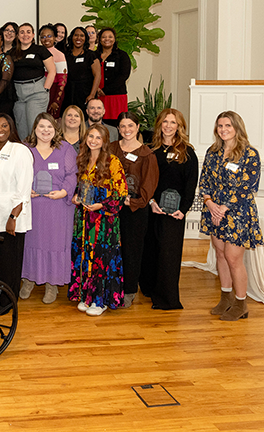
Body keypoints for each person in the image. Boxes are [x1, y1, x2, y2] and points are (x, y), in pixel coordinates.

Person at [199, 111, 262, 321]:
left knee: (233, 258)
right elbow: (204, 181)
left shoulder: (249, 153)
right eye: (219, 126)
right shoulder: (213, 151)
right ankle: (225, 298)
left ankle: (241, 303)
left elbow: (248, 187)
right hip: (214, 209)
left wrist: (223, 208)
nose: (223, 129)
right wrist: (210, 204)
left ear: (237, 127)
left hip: (238, 212)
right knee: (220, 254)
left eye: (227, 125)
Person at [141, 108, 198, 310]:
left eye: (173, 122)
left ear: (179, 126)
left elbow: (191, 184)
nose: (168, 126)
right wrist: (152, 202)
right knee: (151, 251)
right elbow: (146, 180)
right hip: (153, 208)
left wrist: (183, 209)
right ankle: (148, 289)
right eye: (165, 122)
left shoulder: (187, 152)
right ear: (159, 125)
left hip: (175, 213)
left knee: (168, 254)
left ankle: (168, 300)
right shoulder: (150, 150)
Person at [69, 124, 128, 316]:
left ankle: (100, 300)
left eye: (98, 137)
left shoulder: (113, 162)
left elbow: (121, 193)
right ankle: (87, 296)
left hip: (104, 222)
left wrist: (101, 206)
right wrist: (76, 197)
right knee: (86, 256)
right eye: (90, 136)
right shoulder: (83, 159)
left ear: (104, 141)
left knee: (102, 257)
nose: (93, 140)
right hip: (85, 219)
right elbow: (80, 187)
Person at [20, 114, 78, 304]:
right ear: (34, 128)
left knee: (54, 244)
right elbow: (18, 174)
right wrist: (25, 190)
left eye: (50, 127)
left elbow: (72, 175)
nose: (46, 131)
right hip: (33, 205)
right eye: (41, 126)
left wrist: (64, 192)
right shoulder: (26, 149)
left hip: (58, 207)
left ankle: (52, 284)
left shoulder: (66, 149)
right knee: (31, 242)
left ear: (55, 130)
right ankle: (28, 280)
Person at [108, 112, 159, 307]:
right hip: (111, 208)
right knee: (112, 248)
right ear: (118, 129)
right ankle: (112, 286)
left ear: (138, 128)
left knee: (131, 250)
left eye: (130, 126)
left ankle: (129, 290)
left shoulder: (147, 155)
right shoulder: (112, 148)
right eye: (123, 126)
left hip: (134, 210)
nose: (126, 130)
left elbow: (149, 184)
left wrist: (135, 202)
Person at [0, 114, 33, 298]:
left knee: (8, 262)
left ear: (11, 128)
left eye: (4, 125)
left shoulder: (19, 150)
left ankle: (7, 301)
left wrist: (13, 217)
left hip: (9, 216)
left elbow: (24, 187)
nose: (0, 129)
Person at [10, 22, 56, 140]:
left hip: (36, 92)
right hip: (18, 94)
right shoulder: (12, 52)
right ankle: (26, 156)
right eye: (22, 32)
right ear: (17, 35)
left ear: (33, 35)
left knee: (35, 127)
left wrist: (45, 88)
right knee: (22, 129)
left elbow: (52, 70)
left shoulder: (40, 50)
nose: (25, 35)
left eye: (28, 32)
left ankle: (37, 156)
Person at [96, 27, 132, 124]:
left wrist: (105, 90)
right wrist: (96, 89)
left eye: (110, 37)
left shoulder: (122, 55)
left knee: (117, 125)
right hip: (98, 97)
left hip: (116, 98)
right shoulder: (94, 55)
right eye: (104, 37)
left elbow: (124, 75)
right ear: (99, 40)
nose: (107, 39)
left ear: (114, 39)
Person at [62, 27, 100, 112]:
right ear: (71, 37)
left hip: (85, 93)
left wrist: (92, 95)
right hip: (68, 93)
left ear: (86, 38)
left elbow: (97, 75)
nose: (78, 38)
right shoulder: (65, 54)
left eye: (82, 35)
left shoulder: (91, 55)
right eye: (76, 35)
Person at [38, 24, 67, 118]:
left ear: (55, 38)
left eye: (49, 36)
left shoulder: (59, 55)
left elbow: (62, 81)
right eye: (43, 37)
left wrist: (56, 101)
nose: (46, 39)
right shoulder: (37, 52)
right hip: (37, 92)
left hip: (53, 92)